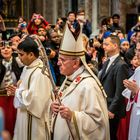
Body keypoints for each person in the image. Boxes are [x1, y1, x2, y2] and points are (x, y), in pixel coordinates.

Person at [50, 23, 110, 140]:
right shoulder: (69, 78)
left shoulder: (89, 85)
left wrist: (73, 116)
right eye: (58, 59)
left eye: (62, 60)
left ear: (76, 63)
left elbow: (98, 122)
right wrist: (53, 107)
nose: (58, 63)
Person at [6, 36, 52, 140]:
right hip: (24, 116)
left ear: (31, 54)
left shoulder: (40, 72)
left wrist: (17, 92)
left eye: (21, 54)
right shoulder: (27, 67)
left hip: (34, 122)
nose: (19, 58)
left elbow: (36, 100)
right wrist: (17, 89)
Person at [99, 34, 129, 140]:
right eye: (103, 44)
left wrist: (112, 110)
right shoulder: (107, 61)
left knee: (111, 136)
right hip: (104, 106)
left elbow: (120, 91)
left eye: (106, 44)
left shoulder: (121, 65)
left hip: (112, 110)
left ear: (115, 45)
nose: (104, 46)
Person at [0, 40, 23, 137]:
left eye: (8, 48)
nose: (5, 50)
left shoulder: (18, 62)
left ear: (12, 50)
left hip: (15, 96)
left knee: (14, 119)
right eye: (2, 48)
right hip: (1, 97)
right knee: (3, 119)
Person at [122, 41, 140, 140]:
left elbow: (138, 91)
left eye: (139, 50)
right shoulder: (138, 70)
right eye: (136, 50)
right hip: (136, 114)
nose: (137, 53)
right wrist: (132, 92)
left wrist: (137, 91)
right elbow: (130, 94)